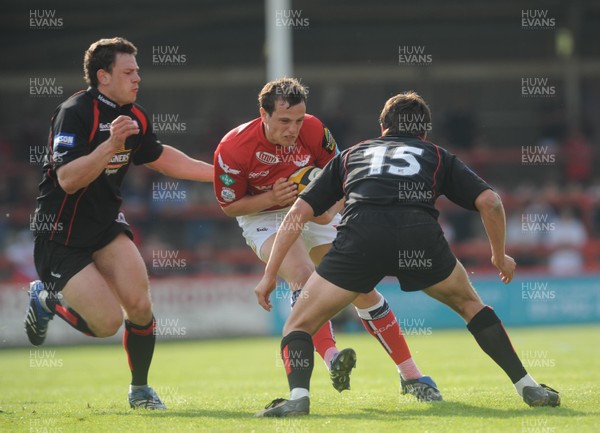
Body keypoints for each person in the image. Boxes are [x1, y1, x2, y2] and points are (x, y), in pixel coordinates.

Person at [253, 91, 560, 417]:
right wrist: (499, 256)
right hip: (419, 239)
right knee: (472, 306)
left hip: (361, 241)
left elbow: (296, 214)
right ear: (424, 132)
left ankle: (299, 396)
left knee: (299, 323)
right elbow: (491, 203)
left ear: (382, 127)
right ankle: (527, 385)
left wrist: (270, 275)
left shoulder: (352, 155)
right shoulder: (436, 155)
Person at [214, 78, 441, 401]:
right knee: (304, 277)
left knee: (361, 286)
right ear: (262, 115)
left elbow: (341, 176)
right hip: (264, 216)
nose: (293, 129)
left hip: (311, 206)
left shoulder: (314, 129)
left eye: (297, 120)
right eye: (283, 121)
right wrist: (270, 198)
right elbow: (230, 206)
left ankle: (411, 376)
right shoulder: (233, 148)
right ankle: (333, 357)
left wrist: (328, 208)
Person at [24, 37, 213, 410]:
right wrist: (109, 146)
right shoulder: (75, 111)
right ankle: (45, 299)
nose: (137, 78)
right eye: (128, 72)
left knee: (140, 306)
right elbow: (68, 179)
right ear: (103, 76)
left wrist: (221, 175)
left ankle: (140, 390)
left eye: (138, 71)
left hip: (105, 226)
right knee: (106, 324)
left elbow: (161, 158)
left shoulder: (136, 116)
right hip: (60, 236)